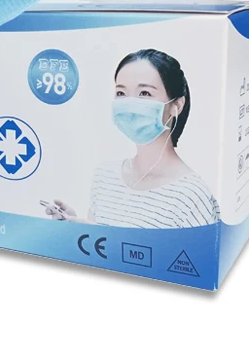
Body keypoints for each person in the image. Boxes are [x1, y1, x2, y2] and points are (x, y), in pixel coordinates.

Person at [46, 49, 219, 228]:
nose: (130, 103)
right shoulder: (104, 176)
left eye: (145, 93)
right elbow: (103, 240)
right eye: (121, 93)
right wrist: (76, 226)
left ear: (177, 105)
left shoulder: (191, 196)